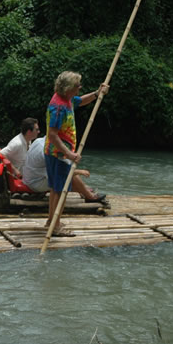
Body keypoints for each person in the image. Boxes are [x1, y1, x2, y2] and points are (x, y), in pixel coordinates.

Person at [44, 71, 109, 236]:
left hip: (57, 153)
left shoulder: (67, 99)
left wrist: (96, 93)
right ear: (67, 89)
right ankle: (56, 226)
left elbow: (80, 101)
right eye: (77, 85)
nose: (80, 87)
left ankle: (52, 220)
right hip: (58, 154)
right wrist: (69, 154)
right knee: (60, 190)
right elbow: (52, 135)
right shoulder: (58, 107)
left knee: (55, 189)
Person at [23, 136, 106, 202]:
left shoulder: (39, 141)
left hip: (30, 178)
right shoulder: (47, 151)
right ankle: (90, 196)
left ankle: (84, 191)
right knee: (70, 175)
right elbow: (60, 173)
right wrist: (80, 171)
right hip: (35, 184)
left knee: (69, 173)